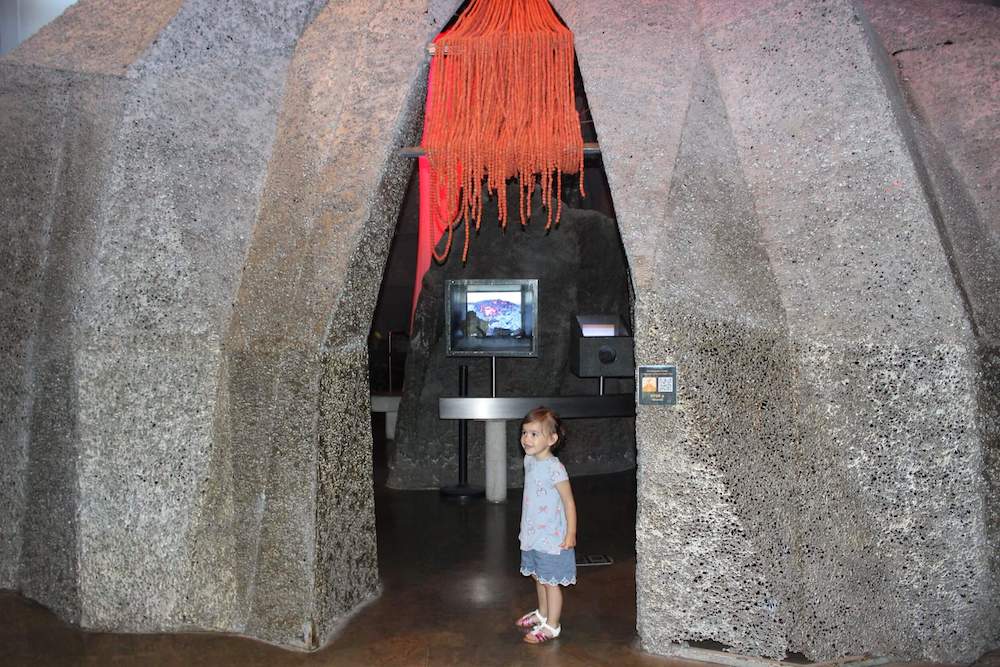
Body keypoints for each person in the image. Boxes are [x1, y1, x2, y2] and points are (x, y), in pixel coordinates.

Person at [515, 406, 577, 644]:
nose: (526, 439)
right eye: (524, 432)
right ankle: (542, 613)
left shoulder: (555, 469)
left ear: (552, 439)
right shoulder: (529, 460)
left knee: (551, 582)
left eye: (534, 434)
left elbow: (569, 502)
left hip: (553, 538)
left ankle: (553, 625)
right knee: (538, 576)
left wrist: (570, 533)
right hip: (532, 534)